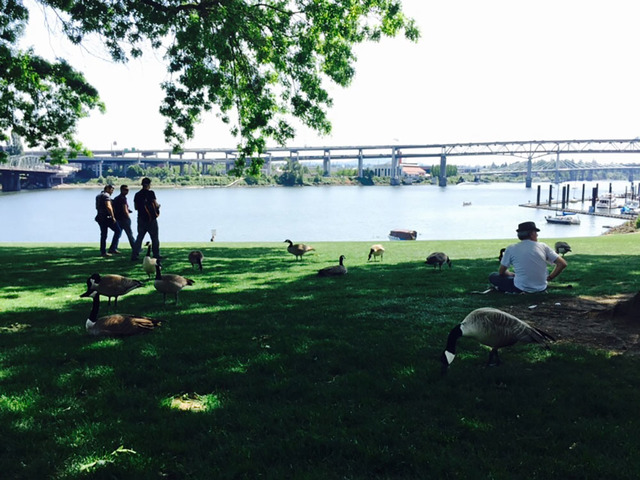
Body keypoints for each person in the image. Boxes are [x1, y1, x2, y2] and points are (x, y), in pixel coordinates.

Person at [489, 221, 567, 293]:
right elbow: (562, 264)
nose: (537, 235)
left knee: (493, 276)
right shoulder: (543, 246)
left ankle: (503, 288)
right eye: (536, 232)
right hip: (542, 287)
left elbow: (501, 272)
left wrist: (509, 273)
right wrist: (550, 277)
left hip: (520, 287)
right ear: (531, 234)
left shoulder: (511, 248)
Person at [131, 177, 161, 261]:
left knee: (139, 237)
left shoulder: (137, 194)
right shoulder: (151, 193)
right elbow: (155, 204)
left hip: (141, 218)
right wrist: (158, 207)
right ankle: (156, 254)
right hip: (151, 219)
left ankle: (134, 255)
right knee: (154, 238)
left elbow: (136, 207)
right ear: (149, 185)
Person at [94, 184, 122, 257]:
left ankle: (103, 251)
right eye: (112, 190)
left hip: (100, 217)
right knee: (118, 231)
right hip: (107, 217)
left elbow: (97, 207)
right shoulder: (106, 195)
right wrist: (113, 217)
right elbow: (108, 206)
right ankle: (112, 248)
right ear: (108, 189)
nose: (112, 191)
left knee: (103, 234)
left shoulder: (98, 196)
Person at [112, 184, 136, 251]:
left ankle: (113, 248)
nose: (127, 191)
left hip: (118, 219)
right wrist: (128, 217)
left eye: (128, 190)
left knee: (118, 234)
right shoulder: (123, 198)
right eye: (126, 190)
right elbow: (124, 208)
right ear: (121, 190)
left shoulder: (116, 198)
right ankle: (136, 248)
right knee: (130, 234)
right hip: (124, 219)